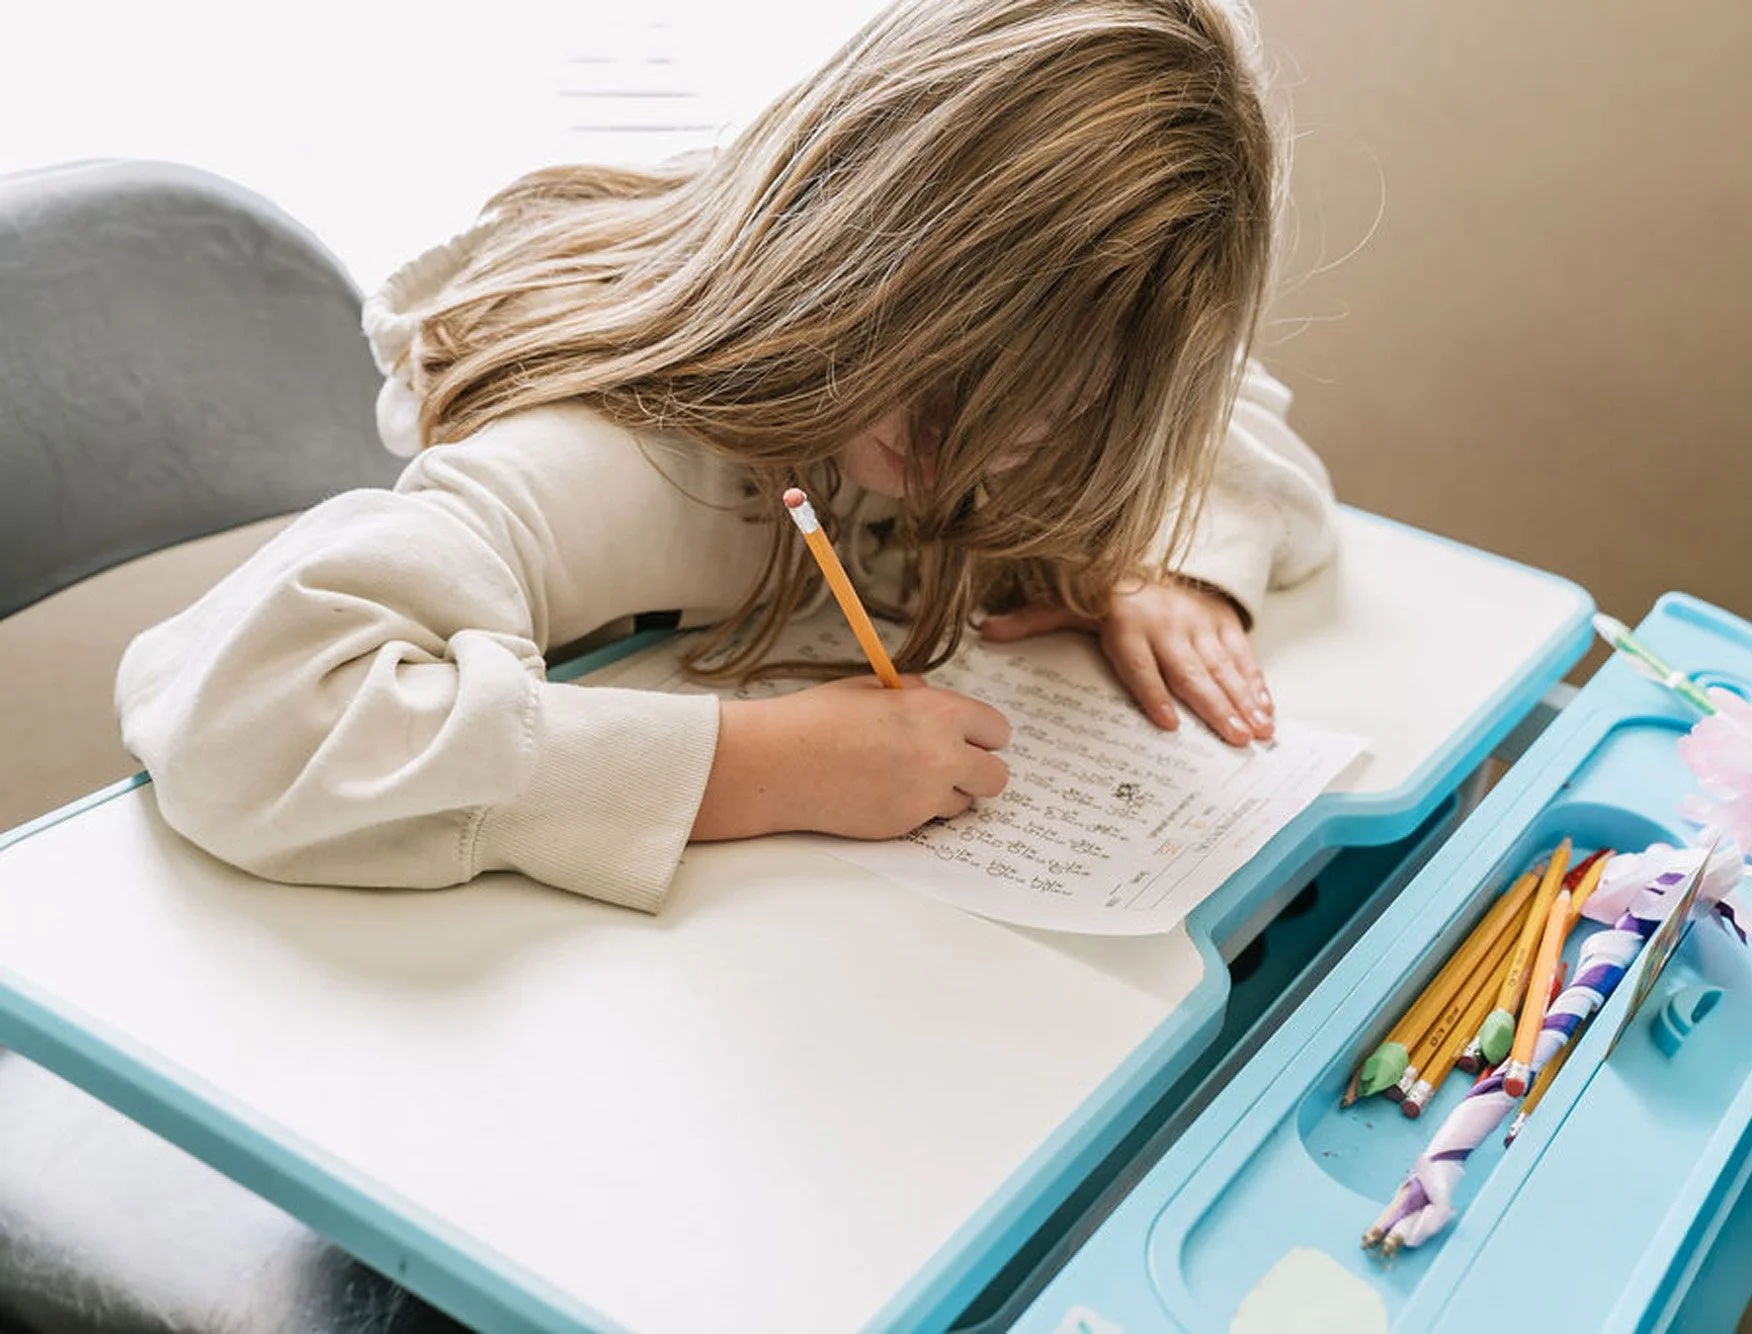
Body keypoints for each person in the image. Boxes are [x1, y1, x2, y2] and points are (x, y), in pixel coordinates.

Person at [115, 0, 1340, 913]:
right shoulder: (614, 457)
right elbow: (245, 713)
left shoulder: (1004, 388)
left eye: (1063, 419)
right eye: (976, 392)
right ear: (856, 238)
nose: (1005, 450)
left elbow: (1232, 410)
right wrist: (752, 768)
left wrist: (1162, 562)